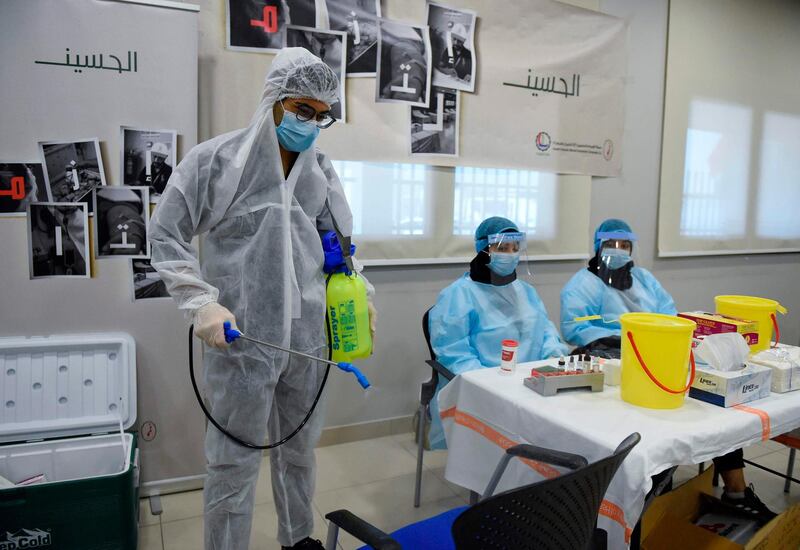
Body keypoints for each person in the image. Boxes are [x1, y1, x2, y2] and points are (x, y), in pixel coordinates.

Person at [148, 48, 375, 550]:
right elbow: (165, 237)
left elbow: (338, 246)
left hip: (308, 340)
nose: (311, 123)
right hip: (242, 340)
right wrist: (200, 303)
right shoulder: (215, 162)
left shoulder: (320, 171)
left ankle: (299, 539)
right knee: (233, 459)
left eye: (322, 116)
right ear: (273, 100)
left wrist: (359, 297)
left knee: (300, 451)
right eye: (301, 110)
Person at [560, 218, 776, 523]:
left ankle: (735, 490)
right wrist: (627, 336)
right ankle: (652, 496)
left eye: (625, 245)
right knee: (653, 418)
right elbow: (575, 328)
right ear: (598, 247)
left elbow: (668, 313)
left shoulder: (644, 279)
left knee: (709, 402)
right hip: (610, 354)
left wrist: (657, 337)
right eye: (612, 245)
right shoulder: (582, 284)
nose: (619, 251)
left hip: (658, 351)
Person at [424, 216, 568, 449]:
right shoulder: (458, 296)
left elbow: (546, 331)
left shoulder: (526, 292)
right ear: (483, 249)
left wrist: (554, 357)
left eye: (514, 248)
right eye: (502, 248)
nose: (510, 254)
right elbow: (454, 354)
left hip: (533, 384)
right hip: (485, 388)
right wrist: (494, 386)